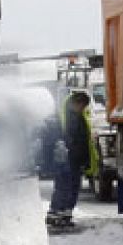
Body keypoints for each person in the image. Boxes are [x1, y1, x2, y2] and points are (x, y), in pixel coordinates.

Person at [46, 90, 98, 230]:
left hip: (73, 159)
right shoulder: (66, 117)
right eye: (82, 106)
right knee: (65, 187)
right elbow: (69, 138)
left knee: (70, 188)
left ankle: (63, 215)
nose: (83, 109)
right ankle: (56, 215)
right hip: (67, 159)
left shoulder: (76, 115)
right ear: (76, 103)